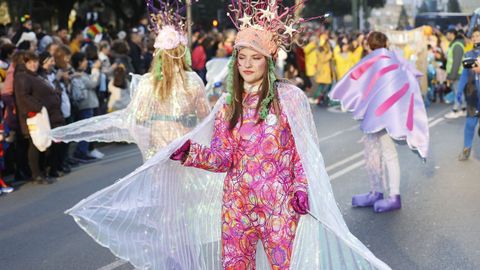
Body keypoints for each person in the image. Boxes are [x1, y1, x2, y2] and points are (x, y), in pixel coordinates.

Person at [63, 2, 391, 269]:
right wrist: (189, 152)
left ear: (268, 61)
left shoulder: (290, 98)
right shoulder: (227, 104)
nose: (248, 64)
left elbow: (303, 152)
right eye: (242, 57)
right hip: (236, 205)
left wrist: (301, 187)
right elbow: (222, 158)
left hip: (278, 204)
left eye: (255, 58)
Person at [51, 0, 210, 162]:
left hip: (157, 147)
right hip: (185, 146)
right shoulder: (192, 81)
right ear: (182, 54)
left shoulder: (148, 82)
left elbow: (138, 115)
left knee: (159, 186)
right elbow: (205, 117)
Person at [329, 31, 429, 213]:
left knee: (382, 153)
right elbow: (409, 77)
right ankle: (378, 192)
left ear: (368, 45)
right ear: (386, 43)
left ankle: (392, 195)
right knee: (377, 152)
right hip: (388, 114)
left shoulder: (373, 62)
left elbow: (358, 81)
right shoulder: (395, 60)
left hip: (379, 116)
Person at [14, 52, 63, 184]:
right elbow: (23, 97)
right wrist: (39, 107)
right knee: (35, 145)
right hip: (35, 116)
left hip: (45, 116)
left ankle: (43, 172)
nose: (33, 64)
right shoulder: (22, 77)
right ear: (24, 63)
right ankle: (36, 174)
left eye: (35, 61)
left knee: (44, 144)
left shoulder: (37, 75)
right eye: (29, 62)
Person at [457, 27, 480, 160]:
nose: (475, 38)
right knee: (470, 124)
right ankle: (466, 149)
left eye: (478, 35)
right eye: (474, 36)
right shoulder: (469, 55)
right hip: (472, 95)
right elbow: (464, 75)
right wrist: (459, 91)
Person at [444, 28, 466, 119]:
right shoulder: (455, 44)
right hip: (456, 73)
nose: (446, 36)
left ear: (452, 34)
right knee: (459, 92)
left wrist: (451, 76)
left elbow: (456, 63)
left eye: (447, 34)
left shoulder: (457, 45)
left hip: (457, 74)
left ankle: (456, 110)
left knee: (457, 92)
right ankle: (463, 109)